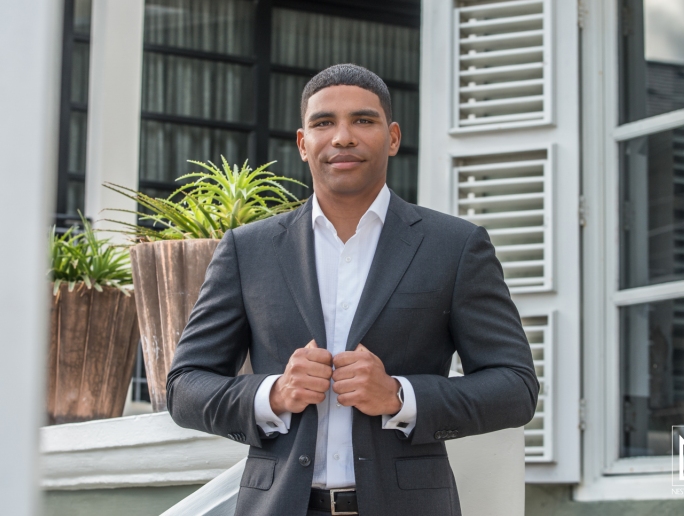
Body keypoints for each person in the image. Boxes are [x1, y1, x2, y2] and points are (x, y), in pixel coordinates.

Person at [167, 63, 539, 516]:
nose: (343, 137)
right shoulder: (249, 250)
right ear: (304, 144)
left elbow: (515, 387)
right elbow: (184, 387)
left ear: (394, 137)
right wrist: (274, 394)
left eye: (363, 120)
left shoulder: (455, 247)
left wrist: (401, 397)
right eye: (324, 123)